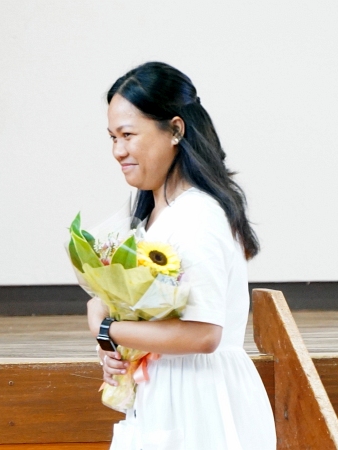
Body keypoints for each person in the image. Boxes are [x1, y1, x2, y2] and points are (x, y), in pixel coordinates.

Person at [87, 62, 276, 449]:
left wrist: (108, 329)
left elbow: (203, 333)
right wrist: (118, 351)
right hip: (169, 393)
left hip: (199, 399)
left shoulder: (197, 216)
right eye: (112, 137)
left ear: (175, 129)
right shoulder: (152, 215)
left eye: (128, 135)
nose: (118, 151)